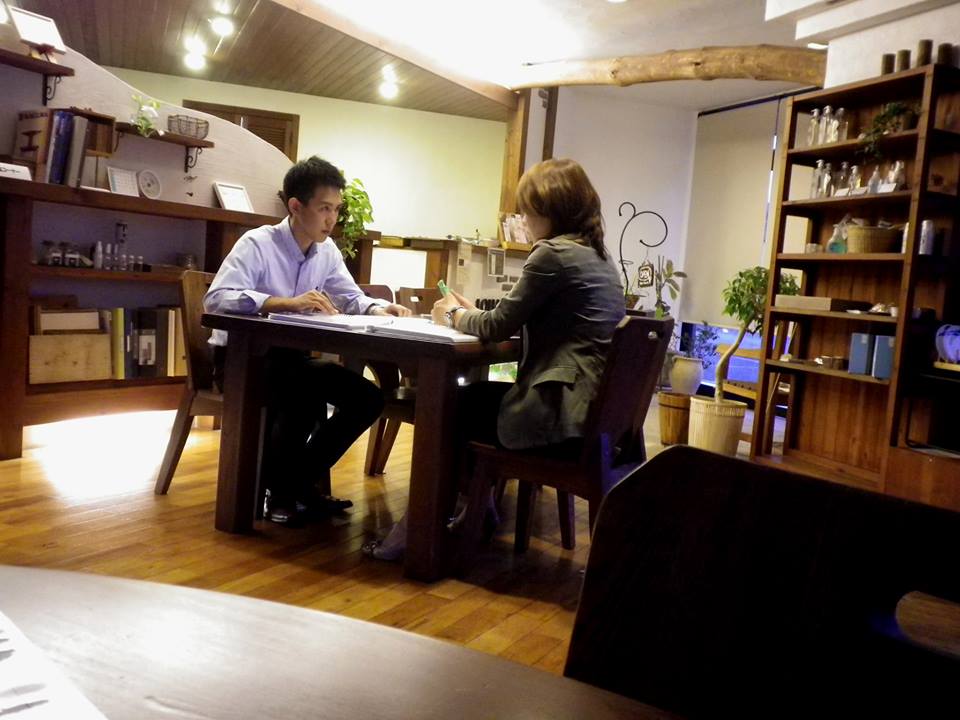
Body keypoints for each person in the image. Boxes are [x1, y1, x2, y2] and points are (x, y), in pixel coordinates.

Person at [364, 158, 624, 560]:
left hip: (558, 412)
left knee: (449, 405)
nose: (523, 220)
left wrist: (453, 314)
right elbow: (515, 320)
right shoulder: (600, 260)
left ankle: (418, 530)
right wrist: (476, 316)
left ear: (547, 210)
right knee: (472, 400)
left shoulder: (552, 254)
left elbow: (498, 326)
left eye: (526, 210)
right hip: (592, 415)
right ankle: (475, 509)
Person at [205, 155, 411, 526]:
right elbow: (216, 299)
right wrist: (282, 302)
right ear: (296, 206)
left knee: (367, 398)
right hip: (242, 360)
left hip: (291, 360)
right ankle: (287, 492)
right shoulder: (257, 243)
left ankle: (289, 486)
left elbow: (351, 297)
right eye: (324, 208)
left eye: (336, 209)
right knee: (302, 394)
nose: (332, 219)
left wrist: (381, 308)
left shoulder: (326, 250)